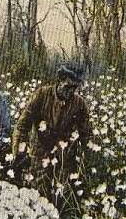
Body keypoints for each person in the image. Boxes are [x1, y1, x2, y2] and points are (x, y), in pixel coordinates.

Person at [11, 62, 91, 202]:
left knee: (61, 198)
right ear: (59, 81)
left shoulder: (79, 104)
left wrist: (86, 158)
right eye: (67, 87)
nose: (70, 92)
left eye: (74, 88)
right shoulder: (42, 95)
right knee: (38, 197)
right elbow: (22, 126)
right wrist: (19, 153)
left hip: (63, 158)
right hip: (39, 155)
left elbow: (86, 134)